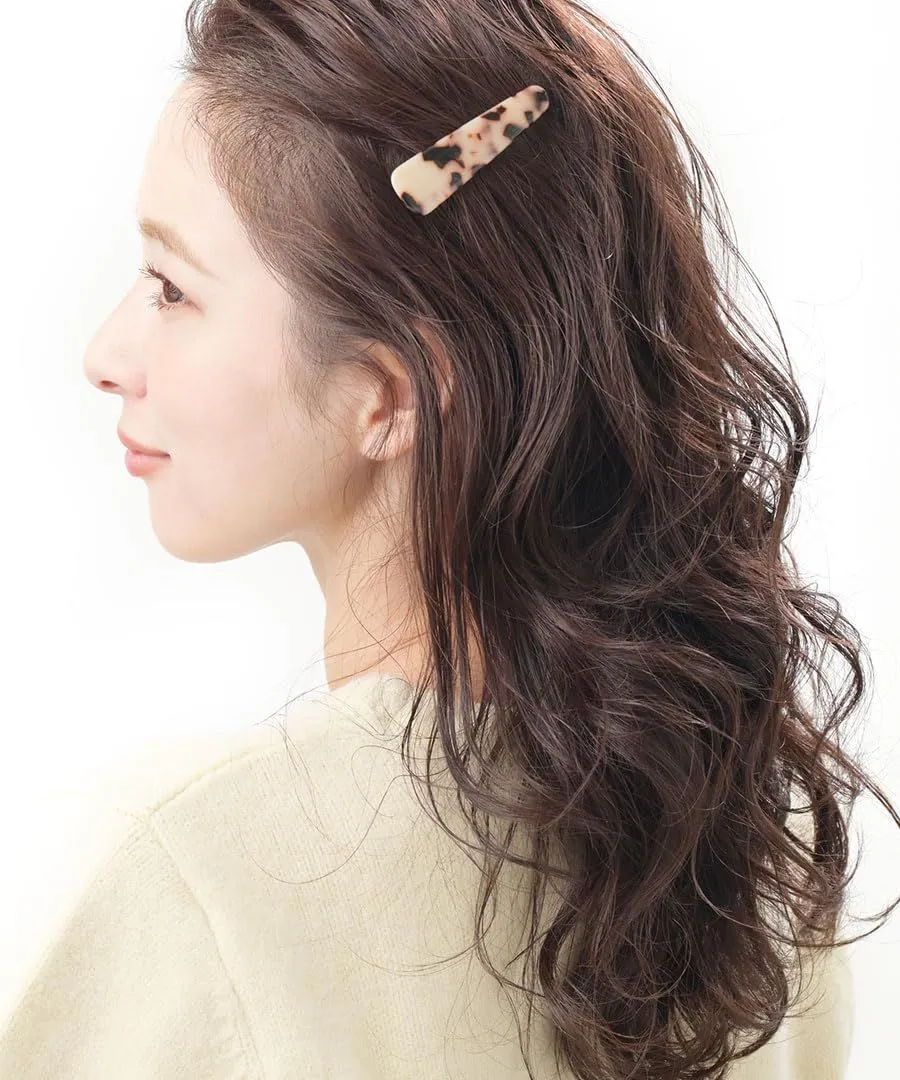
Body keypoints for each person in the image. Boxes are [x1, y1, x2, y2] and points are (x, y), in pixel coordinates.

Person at [2, 1, 893, 1076]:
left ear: (390, 393)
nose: (107, 354)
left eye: (171, 289)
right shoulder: (748, 861)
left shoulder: (174, 871)